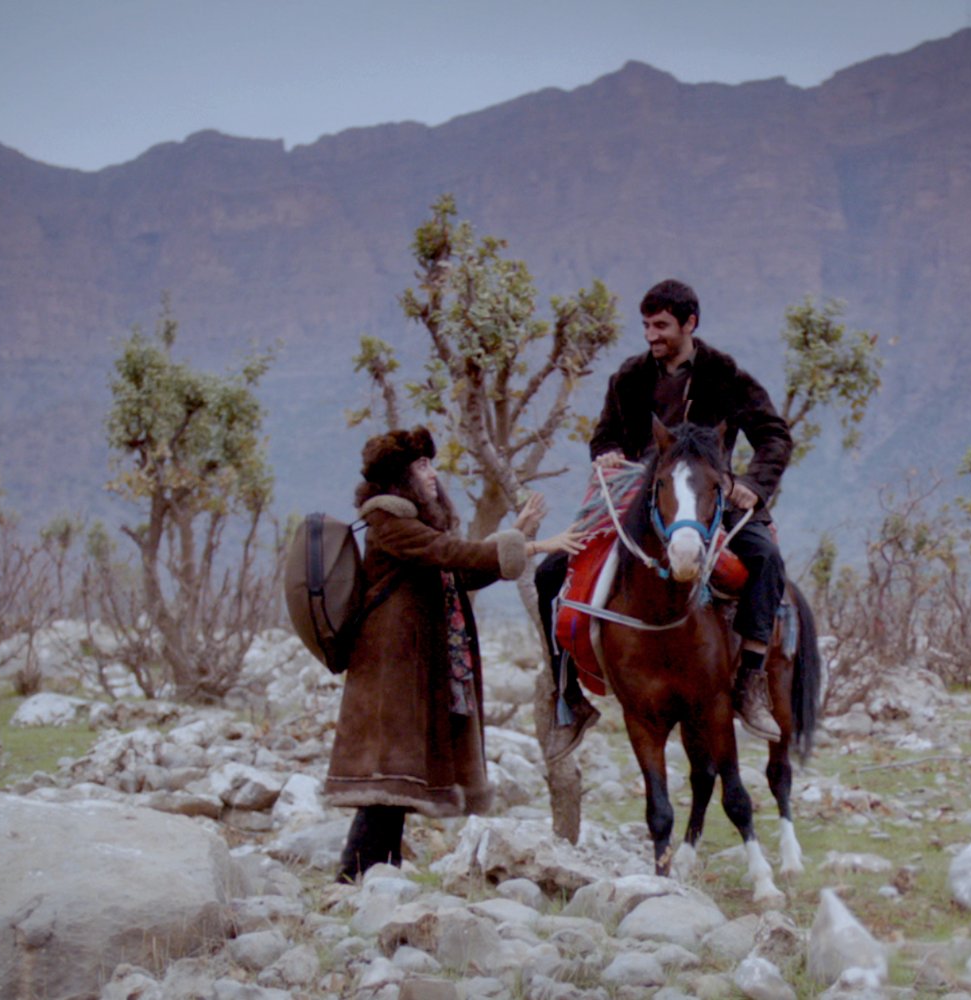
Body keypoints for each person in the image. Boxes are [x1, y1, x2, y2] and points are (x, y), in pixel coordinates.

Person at [537, 278, 793, 762]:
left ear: (689, 323)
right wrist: (608, 454)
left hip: (708, 497)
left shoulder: (724, 375)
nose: (651, 335)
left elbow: (774, 436)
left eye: (661, 326)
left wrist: (753, 487)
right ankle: (567, 696)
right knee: (551, 572)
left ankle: (751, 680)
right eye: (646, 326)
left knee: (766, 558)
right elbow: (604, 436)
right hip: (640, 498)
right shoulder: (630, 377)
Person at [326, 425, 581, 881]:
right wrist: (529, 544)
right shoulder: (388, 518)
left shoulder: (415, 525)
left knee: (398, 771)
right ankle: (353, 873)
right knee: (389, 772)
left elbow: (457, 572)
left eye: (430, 463)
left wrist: (513, 538)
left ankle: (378, 871)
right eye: (421, 465)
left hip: (413, 662)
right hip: (392, 662)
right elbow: (449, 553)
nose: (431, 473)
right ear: (399, 476)